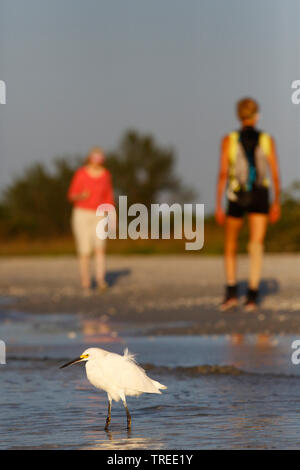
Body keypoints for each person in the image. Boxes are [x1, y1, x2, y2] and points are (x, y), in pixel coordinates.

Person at [215, 98, 281, 311]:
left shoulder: (229, 140)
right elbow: (275, 174)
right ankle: (252, 295)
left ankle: (231, 292)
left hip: (237, 194)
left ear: (238, 115)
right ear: (257, 115)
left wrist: (218, 204)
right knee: (256, 244)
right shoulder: (267, 140)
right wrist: (276, 202)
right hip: (260, 193)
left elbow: (223, 173)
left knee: (231, 244)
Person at [68, 147, 114, 293]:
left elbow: (109, 196)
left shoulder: (106, 174)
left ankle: (101, 280)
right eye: (95, 158)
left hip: (99, 214)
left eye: (100, 159)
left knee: (100, 247)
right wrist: (82, 195)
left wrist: (112, 214)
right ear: (89, 158)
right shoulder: (81, 173)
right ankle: (86, 281)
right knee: (85, 250)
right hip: (82, 214)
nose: (97, 162)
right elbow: (71, 195)